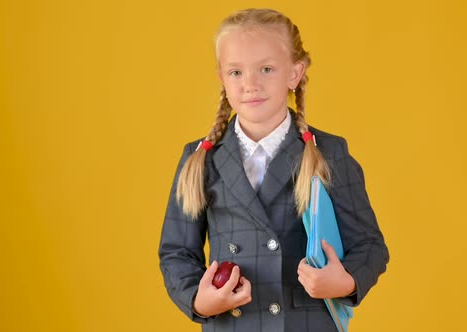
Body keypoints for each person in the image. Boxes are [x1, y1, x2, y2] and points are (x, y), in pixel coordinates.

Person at [158, 8, 389, 332]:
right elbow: (177, 252)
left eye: (266, 69)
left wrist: (345, 282)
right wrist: (199, 299)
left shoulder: (328, 153)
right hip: (235, 325)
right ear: (222, 78)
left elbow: (369, 246)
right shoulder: (200, 159)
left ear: (294, 73)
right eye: (236, 72)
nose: (250, 84)